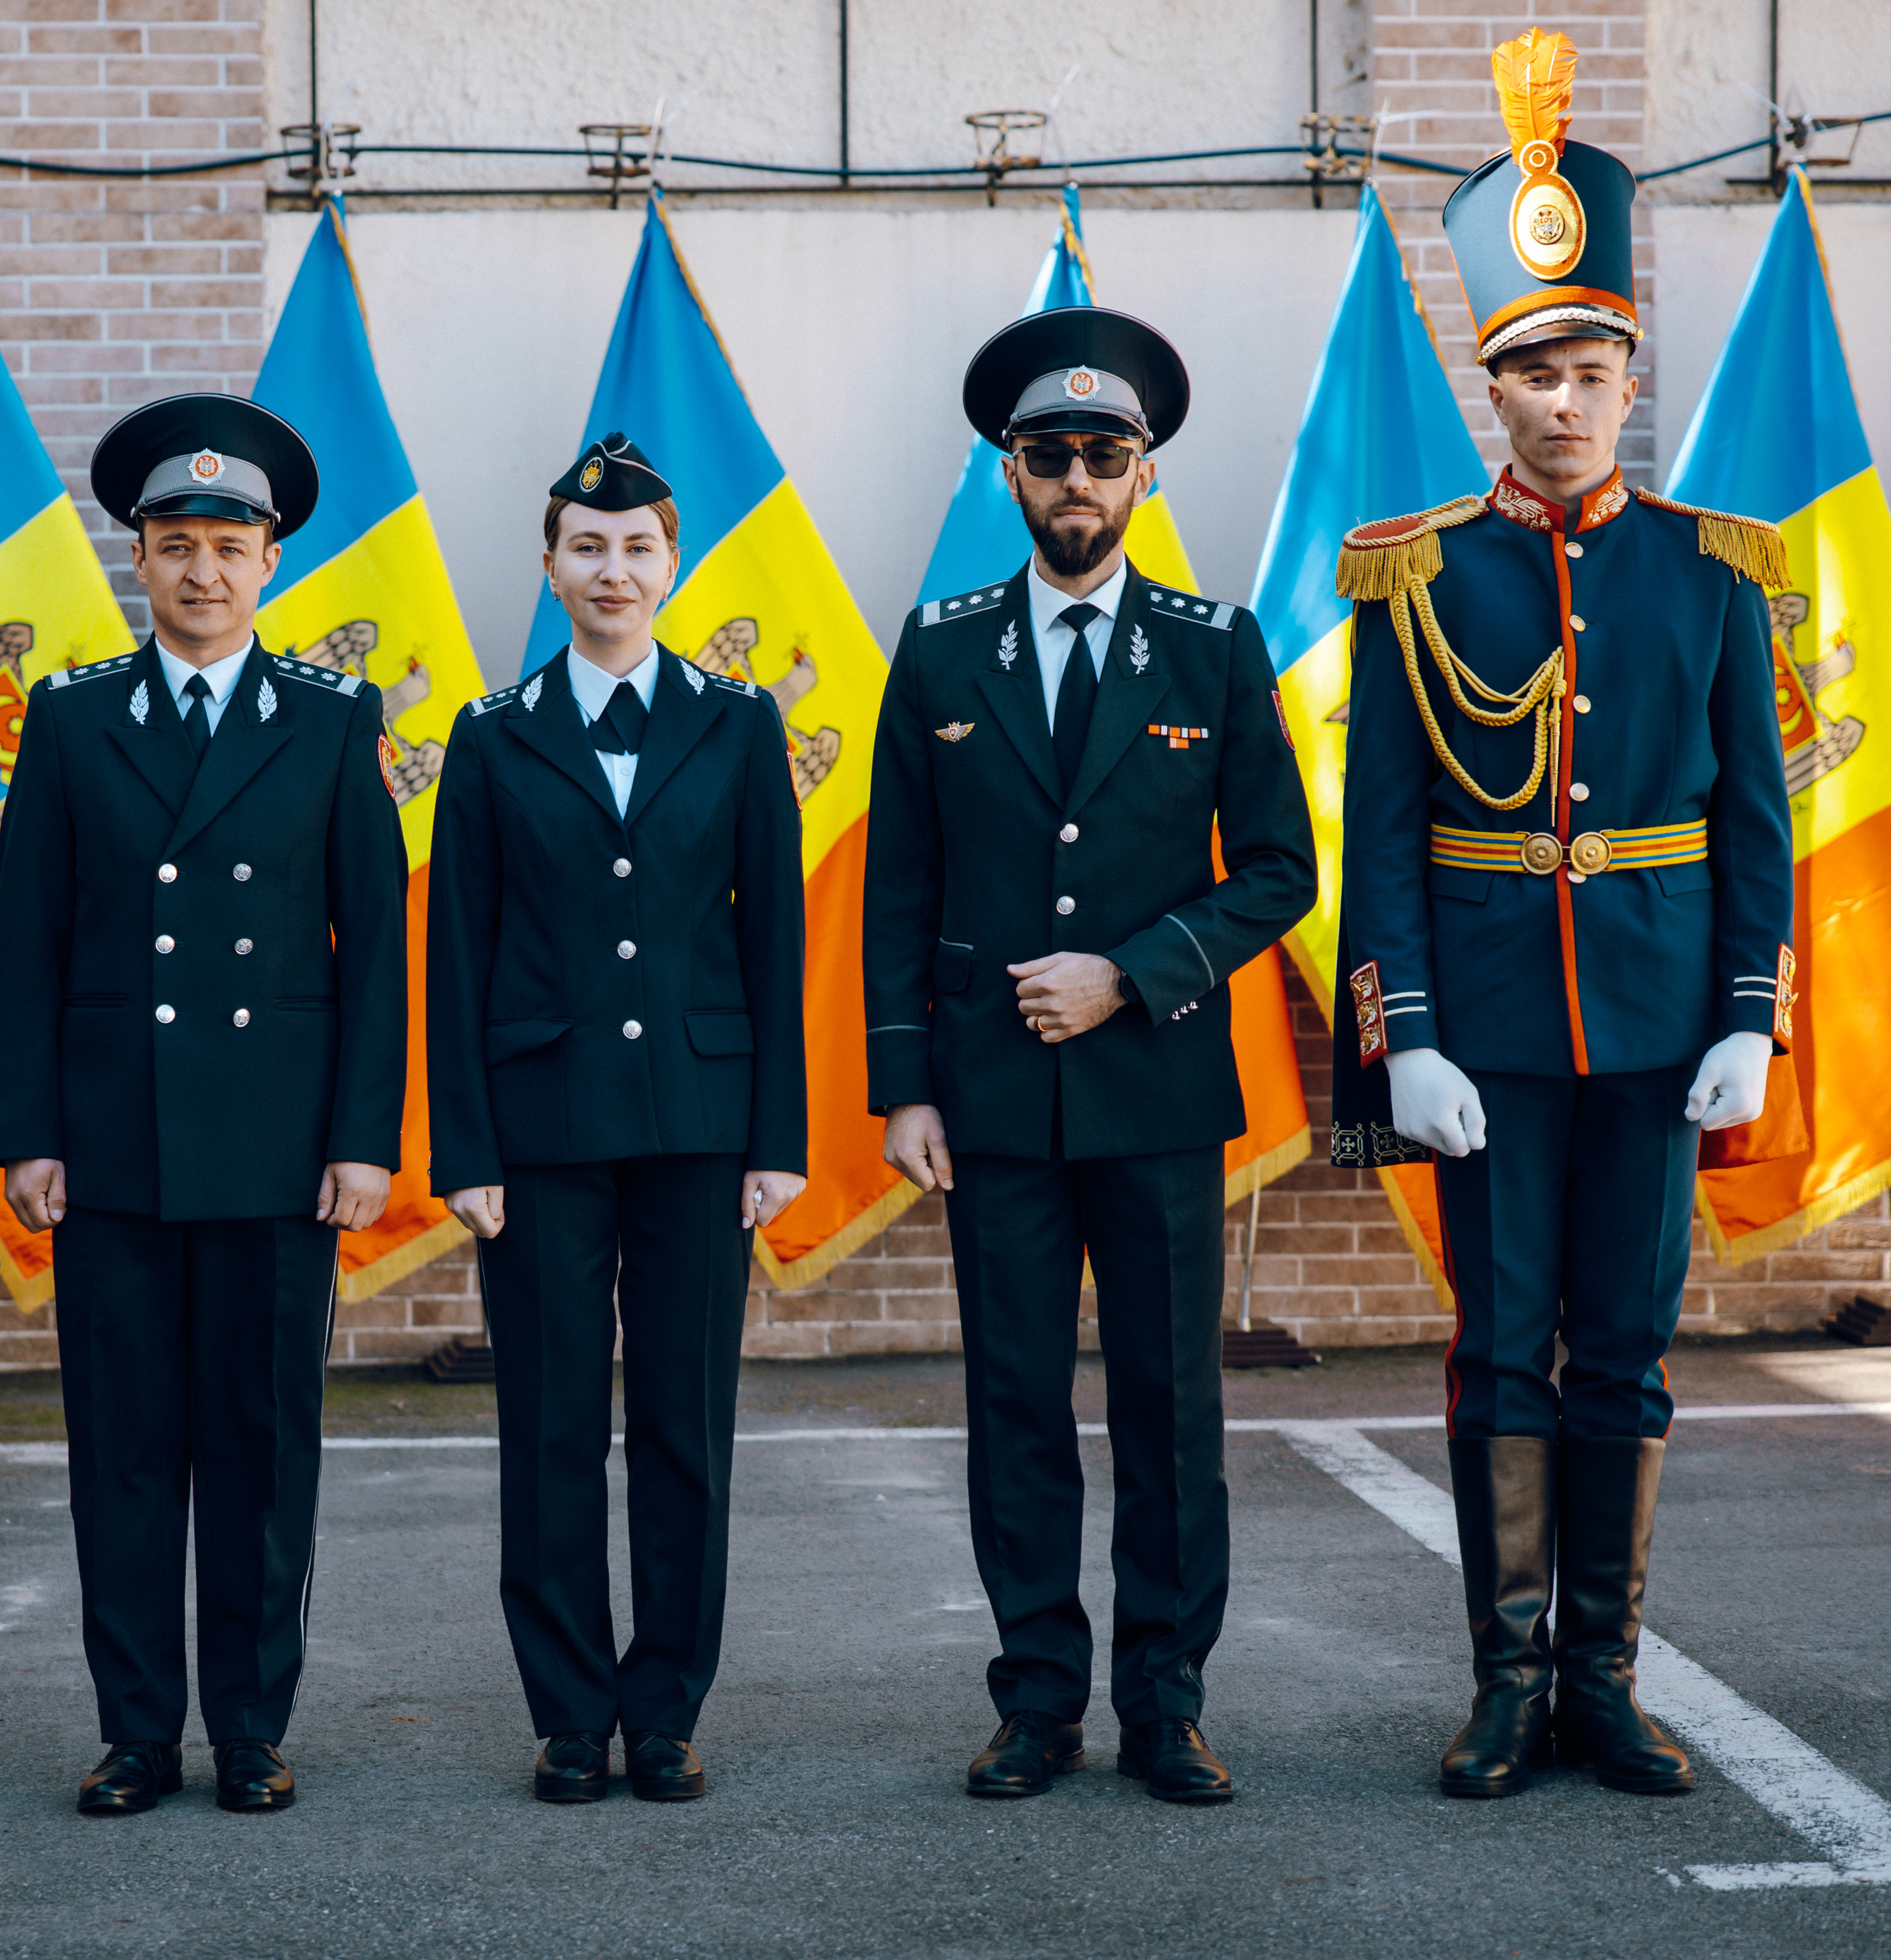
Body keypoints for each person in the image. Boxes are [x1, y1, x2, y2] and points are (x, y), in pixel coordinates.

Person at [1329, 28, 1793, 1803]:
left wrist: (1746, 1012)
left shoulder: (1709, 569)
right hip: (1491, 1031)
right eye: (1531, 370)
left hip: (1660, 1023)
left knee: (1624, 1350)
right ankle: (1504, 1684)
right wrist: (1405, 1037)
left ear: (1623, 375)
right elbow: (1380, 829)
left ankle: (1600, 1678)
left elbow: (1751, 819)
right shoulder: (1414, 571)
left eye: (1590, 368)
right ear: (1495, 388)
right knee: (1491, 1349)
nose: (1563, 400)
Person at [865, 310, 1316, 1805]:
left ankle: (1166, 1702)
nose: (1076, 479)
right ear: (1008, 472)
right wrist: (903, 1082)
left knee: (1169, 1409)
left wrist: (1128, 972)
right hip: (989, 1095)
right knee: (1014, 1407)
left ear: (1142, 475)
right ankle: (1036, 1701)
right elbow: (900, 883)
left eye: (1103, 456)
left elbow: (1277, 870)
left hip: (1155, 1090)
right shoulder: (939, 649)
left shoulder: (1210, 647)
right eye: (1049, 454)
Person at [0, 394, 407, 1817]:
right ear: (141, 561)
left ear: (270, 562)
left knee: (260, 1448)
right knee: (121, 1449)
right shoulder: (71, 718)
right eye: (175, 545)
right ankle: (135, 1730)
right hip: (113, 1143)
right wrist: (28, 1130)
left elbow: (375, 949)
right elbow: (32, 941)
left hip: (277, 1148)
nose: (202, 571)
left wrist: (363, 1137)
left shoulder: (334, 722)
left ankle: (249, 1725)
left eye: (229, 546)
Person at [427, 434, 807, 1805]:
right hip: (540, 1128)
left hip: (701, 1121)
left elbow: (774, 937)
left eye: (637, 546)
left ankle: (664, 1707)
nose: (612, 569)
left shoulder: (741, 723)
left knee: (684, 1424)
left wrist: (777, 1136)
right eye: (586, 547)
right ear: (549, 566)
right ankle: (569, 1712)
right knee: (549, 1424)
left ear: (671, 563)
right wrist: (463, 1147)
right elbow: (456, 950)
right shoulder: (489, 733)